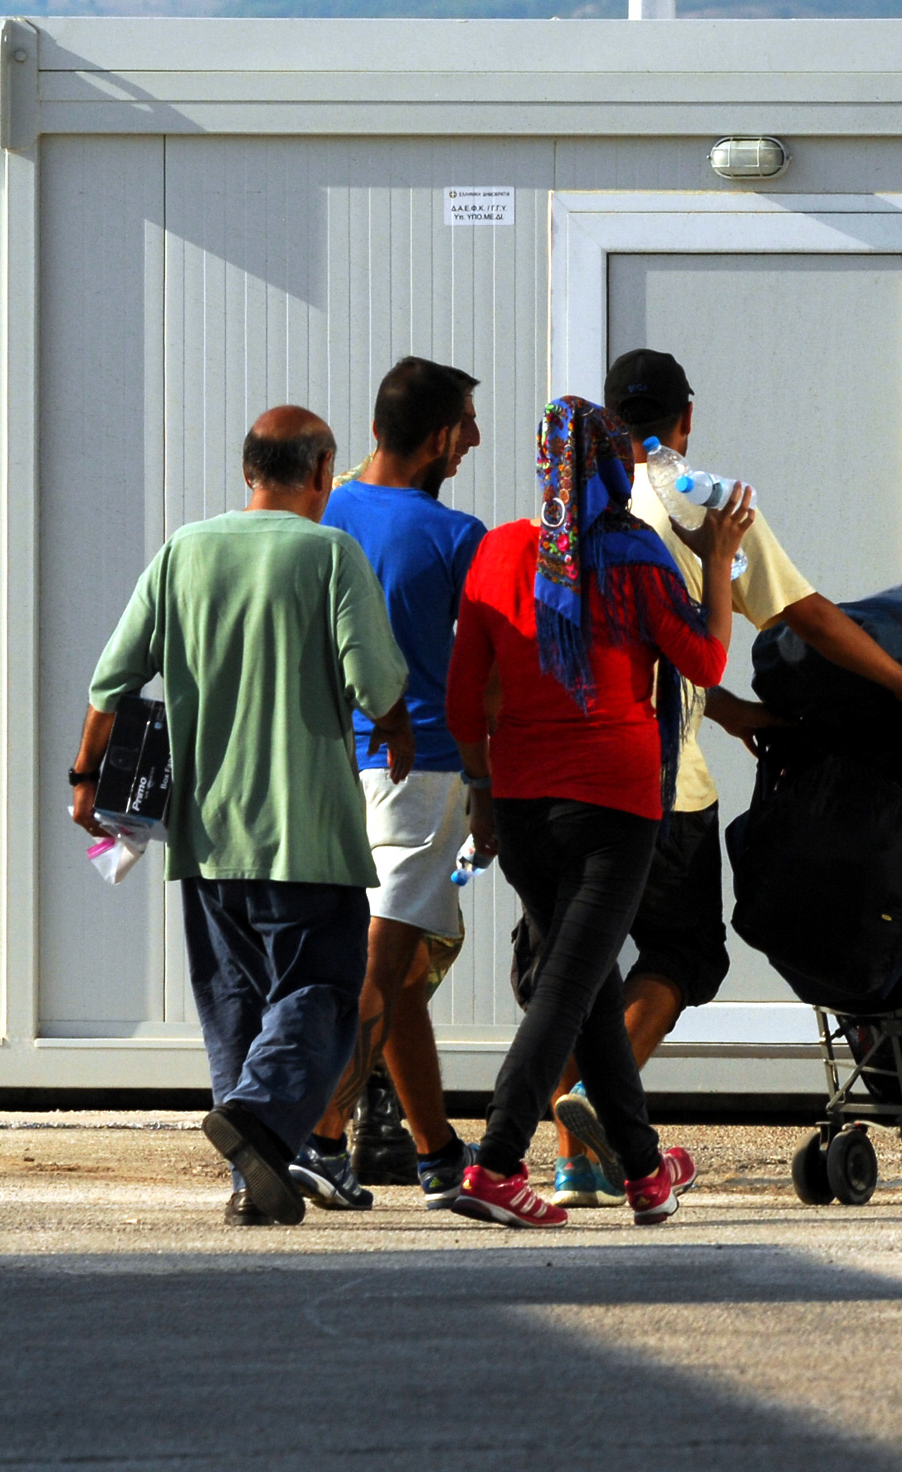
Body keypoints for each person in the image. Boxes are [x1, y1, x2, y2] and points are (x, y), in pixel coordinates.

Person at [529, 347, 902, 1207]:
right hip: (659, 787)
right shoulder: (704, 501)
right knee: (680, 953)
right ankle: (584, 1100)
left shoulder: (566, 515)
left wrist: (729, 711)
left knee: (579, 969)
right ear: (686, 420)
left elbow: (628, 645)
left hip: (554, 782)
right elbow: (809, 617)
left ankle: (572, 1164)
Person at [70, 406, 413, 1225]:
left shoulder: (184, 550)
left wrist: (87, 778)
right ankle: (258, 1122)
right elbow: (375, 683)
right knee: (322, 993)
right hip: (308, 834)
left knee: (234, 1007)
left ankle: (251, 1180)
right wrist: (397, 730)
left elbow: (110, 681)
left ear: (249, 468)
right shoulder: (331, 553)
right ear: (324, 467)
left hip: (206, 836)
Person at [441, 396, 747, 1228]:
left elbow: (464, 699)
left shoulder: (501, 552)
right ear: (615, 469)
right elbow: (706, 659)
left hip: (522, 803)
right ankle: (498, 1163)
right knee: (569, 989)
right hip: (616, 805)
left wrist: (480, 793)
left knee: (583, 980)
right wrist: (717, 558)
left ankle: (646, 1172)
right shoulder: (638, 556)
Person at [307, 356, 488, 1210]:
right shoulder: (458, 538)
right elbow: (490, 671)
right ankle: (318, 1139)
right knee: (380, 964)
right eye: (468, 429)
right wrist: (489, 783)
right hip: (420, 772)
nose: (476, 444)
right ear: (441, 436)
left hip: (324, 766)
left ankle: (440, 1153)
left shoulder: (323, 512)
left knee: (403, 965)